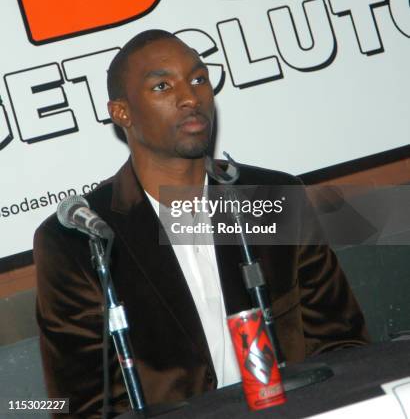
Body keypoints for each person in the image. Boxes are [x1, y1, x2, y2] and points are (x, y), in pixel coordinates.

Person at [34, 30, 368, 418]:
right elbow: (85, 407)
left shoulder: (272, 197)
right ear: (122, 112)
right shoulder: (78, 239)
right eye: (162, 86)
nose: (191, 98)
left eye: (198, 79)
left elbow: (343, 348)